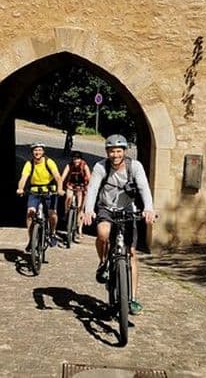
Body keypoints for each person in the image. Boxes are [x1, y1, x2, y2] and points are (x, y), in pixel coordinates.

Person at [83, 134, 155, 315]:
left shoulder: (135, 166)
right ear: (107, 152)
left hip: (128, 210)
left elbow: (144, 188)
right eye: (111, 151)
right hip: (106, 208)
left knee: (130, 252)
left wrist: (149, 208)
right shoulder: (101, 166)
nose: (115, 155)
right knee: (103, 234)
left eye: (118, 151)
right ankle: (102, 262)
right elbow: (92, 188)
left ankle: (132, 298)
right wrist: (88, 209)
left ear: (124, 151)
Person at [16, 142, 64, 248]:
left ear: (43, 152)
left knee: (52, 214)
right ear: (32, 152)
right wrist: (20, 188)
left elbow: (58, 177)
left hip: (49, 191)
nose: (37, 152)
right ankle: (31, 240)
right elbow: (23, 178)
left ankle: (52, 232)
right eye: (35, 150)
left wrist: (60, 189)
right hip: (35, 191)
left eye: (39, 150)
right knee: (30, 213)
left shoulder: (49, 162)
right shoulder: (29, 164)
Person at [61, 150, 91, 242]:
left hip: (82, 186)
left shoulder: (84, 166)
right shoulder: (69, 165)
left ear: (81, 159)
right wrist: (60, 187)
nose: (76, 161)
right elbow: (63, 177)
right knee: (69, 197)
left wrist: (88, 189)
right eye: (74, 159)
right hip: (71, 184)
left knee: (80, 208)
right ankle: (67, 212)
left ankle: (79, 229)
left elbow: (89, 178)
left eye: (78, 159)